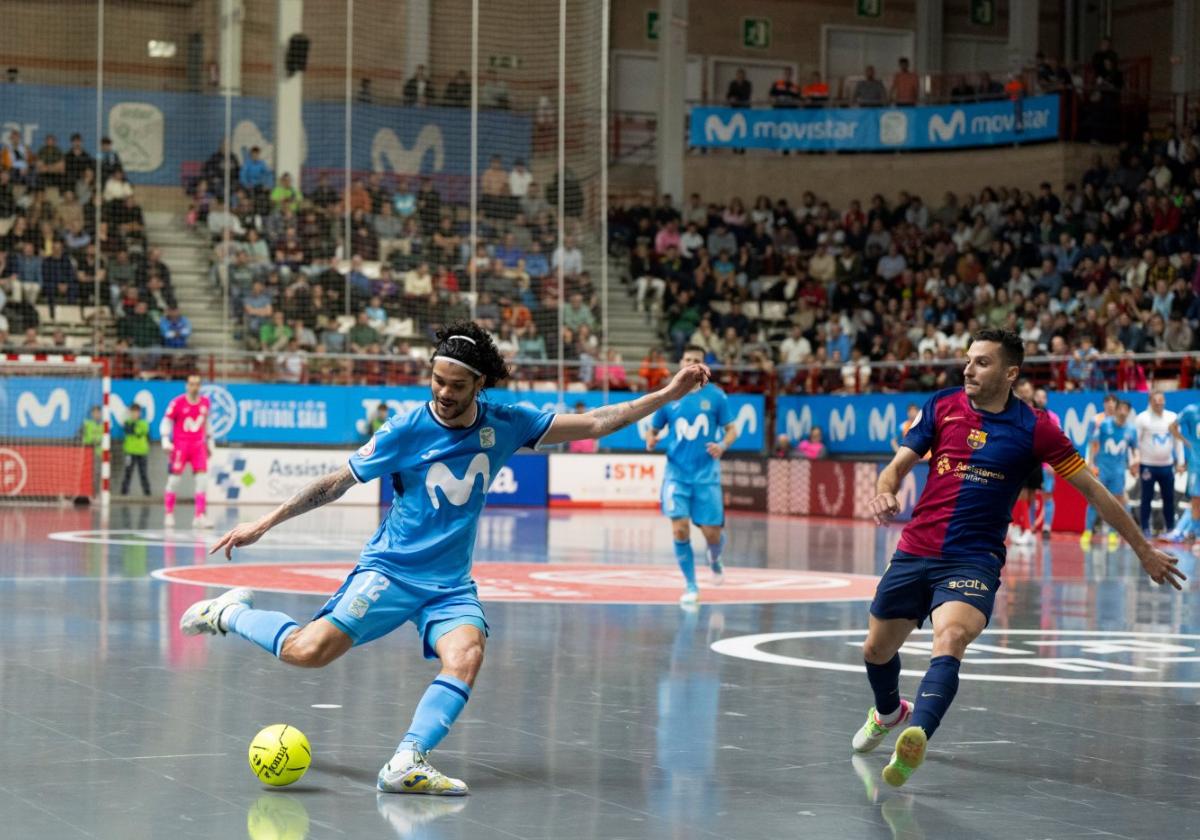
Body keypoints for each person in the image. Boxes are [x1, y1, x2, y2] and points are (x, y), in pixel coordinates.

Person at [182, 321, 711, 796]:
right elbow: (335, 483)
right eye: (437, 380)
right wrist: (263, 523)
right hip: (389, 572)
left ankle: (407, 761)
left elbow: (596, 423)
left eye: (457, 385)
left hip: (450, 585)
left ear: (480, 384)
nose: (443, 392)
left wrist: (668, 392)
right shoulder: (406, 428)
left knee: (468, 654)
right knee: (307, 652)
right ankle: (228, 612)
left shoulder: (508, 422)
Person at [855, 329, 1183, 788]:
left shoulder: (1037, 428)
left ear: (1010, 373)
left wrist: (1143, 549)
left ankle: (917, 736)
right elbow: (895, 468)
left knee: (950, 637)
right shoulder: (942, 405)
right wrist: (884, 494)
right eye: (968, 361)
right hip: (915, 549)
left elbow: (1094, 491)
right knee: (876, 649)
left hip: (973, 560)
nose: (968, 369)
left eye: (982, 362)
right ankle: (890, 713)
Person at [644, 346, 738, 606]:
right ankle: (691, 585)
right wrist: (651, 440)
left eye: (697, 361)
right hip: (676, 475)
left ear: (704, 366)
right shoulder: (668, 397)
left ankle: (715, 558)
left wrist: (722, 445)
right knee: (680, 529)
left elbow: (732, 430)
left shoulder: (717, 397)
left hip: (706, 476)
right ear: (681, 363)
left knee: (712, 534)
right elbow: (652, 430)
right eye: (688, 360)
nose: (692, 364)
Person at [1081, 396, 1137, 550]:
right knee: (1094, 500)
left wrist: (1134, 463)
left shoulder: (1131, 429)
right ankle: (1088, 531)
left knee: (1116, 502)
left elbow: (1133, 449)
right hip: (1101, 469)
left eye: (1127, 409)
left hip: (1118, 471)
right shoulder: (1100, 423)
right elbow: (1092, 444)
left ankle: (1113, 533)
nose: (1123, 412)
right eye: (1120, 408)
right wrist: (1090, 464)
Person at [161, 374, 215, 529]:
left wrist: (210, 442)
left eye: (197, 384)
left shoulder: (205, 403)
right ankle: (169, 513)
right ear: (187, 385)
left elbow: (207, 423)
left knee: (202, 481)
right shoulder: (177, 403)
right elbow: (167, 421)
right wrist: (165, 439)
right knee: (174, 481)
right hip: (180, 446)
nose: (194, 387)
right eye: (191, 384)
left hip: (198, 446)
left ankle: (199, 516)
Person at [1134, 391, 1184, 536]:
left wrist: (1180, 462)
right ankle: (1145, 528)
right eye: (1155, 400)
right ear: (1150, 401)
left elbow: (1178, 441)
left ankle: (1170, 529)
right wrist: (1135, 461)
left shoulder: (1172, 417)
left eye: (1161, 400)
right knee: (1146, 498)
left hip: (1167, 466)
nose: (1158, 403)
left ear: (1165, 401)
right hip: (1147, 466)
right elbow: (1135, 442)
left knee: (1169, 498)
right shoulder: (1142, 418)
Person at [1168, 400, 1200, 542]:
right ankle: (1194, 534)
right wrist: (1187, 442)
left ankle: (1184, 531)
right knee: (1196, 499)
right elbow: (1172, 427)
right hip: (1196, 463)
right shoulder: (1191, 411)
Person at [121, 403, 152, 497]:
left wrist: (132, 427)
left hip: (141, 452)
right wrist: (130, 425)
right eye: (133, 412)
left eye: (136, 412)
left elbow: (136, 431)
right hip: (129, 452)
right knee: (128, 473)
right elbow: (127, 429)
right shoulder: (127, 422)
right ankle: (124, 492)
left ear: (140, 413)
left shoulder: (144, 423)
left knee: (143, 473)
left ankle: (147, 493)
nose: (135, 414)